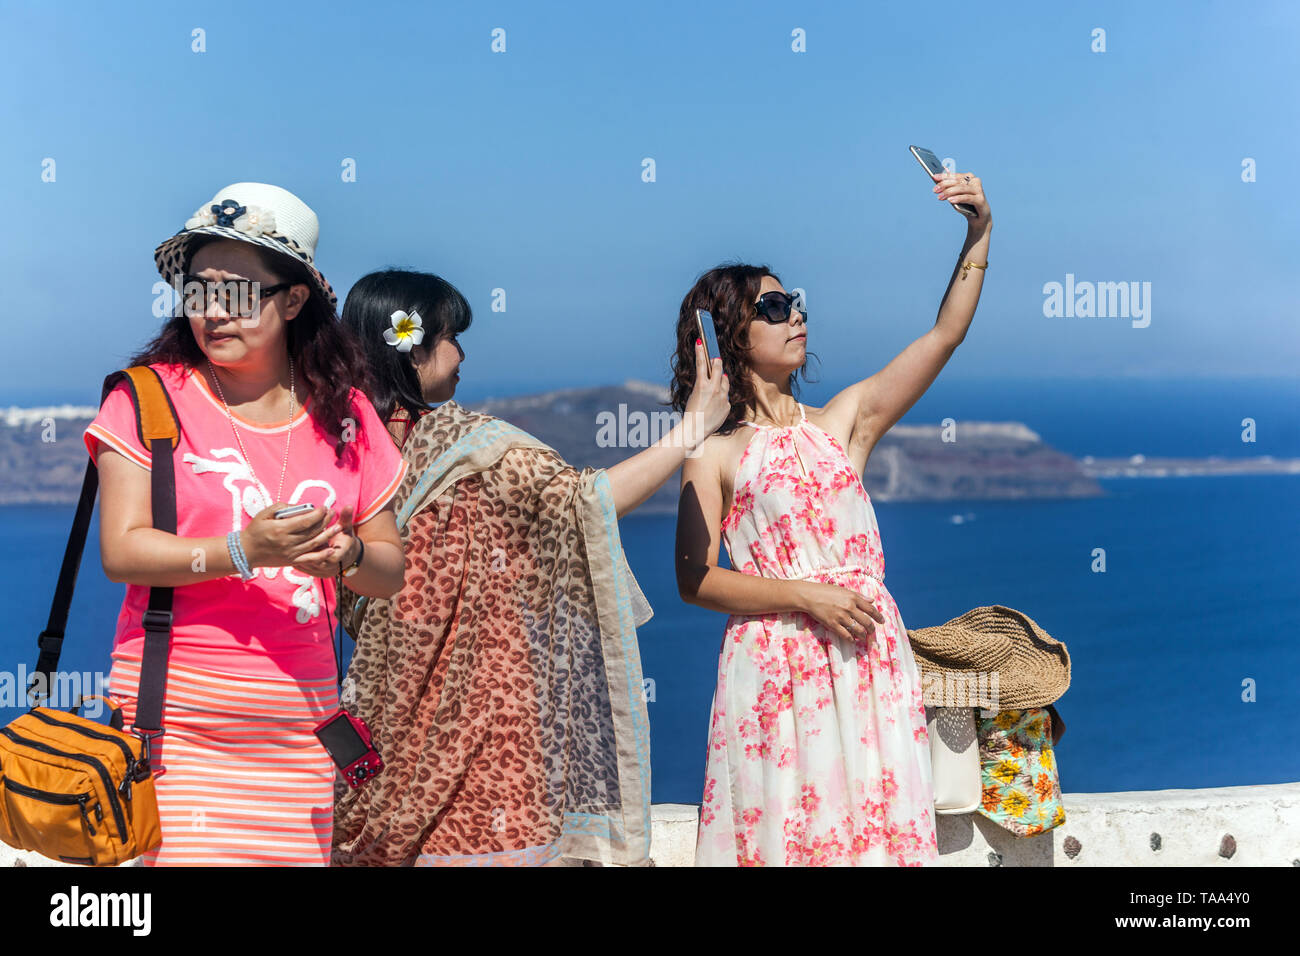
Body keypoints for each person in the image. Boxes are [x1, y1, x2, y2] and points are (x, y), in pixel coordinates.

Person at [330, 268, 731, 866]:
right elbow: (590, 502)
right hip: (490, 734)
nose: (462, 352)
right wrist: (693, 427)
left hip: (385, 731)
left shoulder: (342, 443)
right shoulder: (471, 446)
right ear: (411, 347)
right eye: (449, 336)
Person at [83, 183, 407, 865]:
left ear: (294, 301)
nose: (212, 312)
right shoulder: (146, 398)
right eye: (199, 290)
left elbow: (388, 571)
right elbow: (121, 550)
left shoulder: (346, 414)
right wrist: (244, 549)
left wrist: (344, 554)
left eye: (237, 293)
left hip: (299, 735)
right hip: (174, 730)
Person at [673, 171, 992, 865]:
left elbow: (945, 335)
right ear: (730, 333)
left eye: (797, 303)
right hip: (778, 672)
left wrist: (979, 232)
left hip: (868, 661)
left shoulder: (842, 424)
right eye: (777, 306)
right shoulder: (714, 453)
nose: (798, 317)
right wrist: (805, 596)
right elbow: (694, 581)